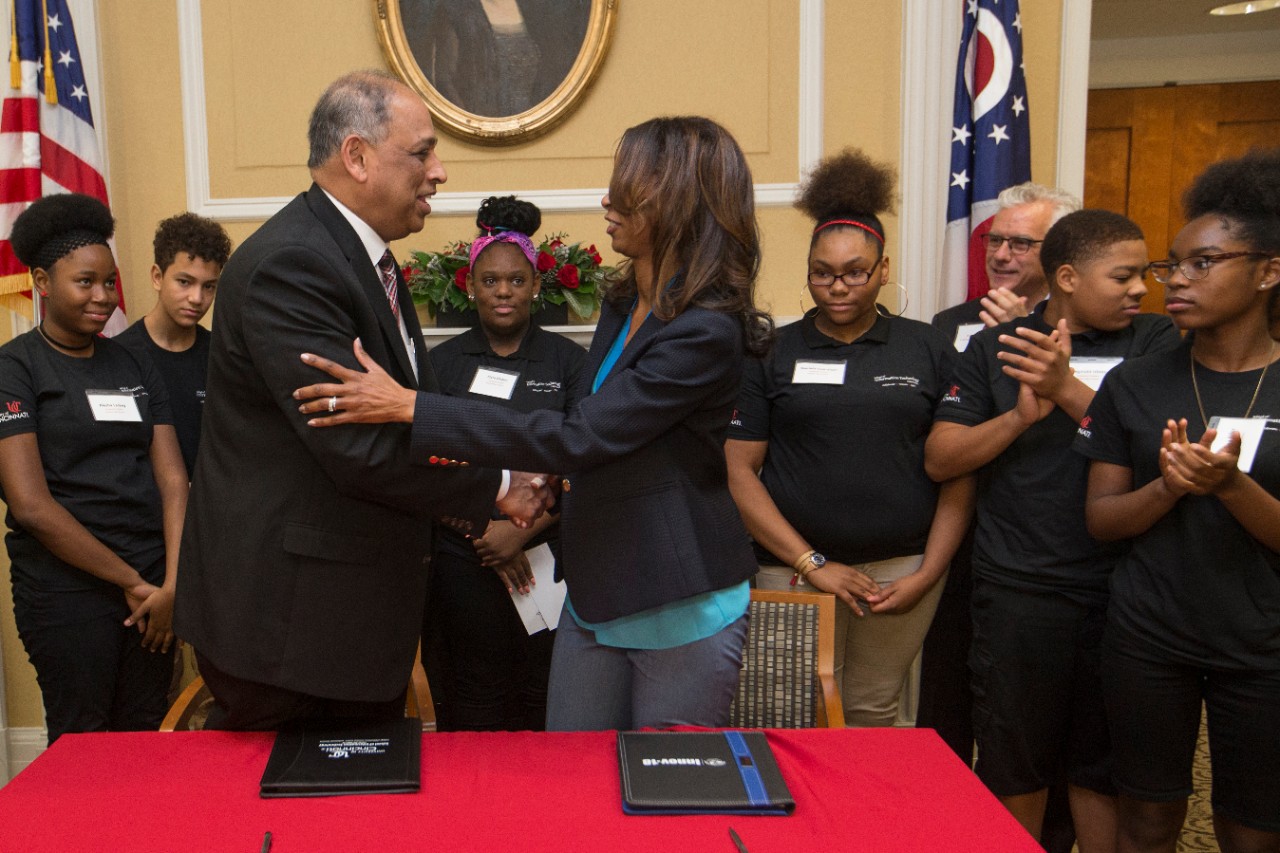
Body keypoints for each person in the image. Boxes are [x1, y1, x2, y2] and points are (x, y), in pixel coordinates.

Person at [293, 115, 774, 731]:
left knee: (664, 797)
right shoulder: (626, 299)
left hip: (678, 598)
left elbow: (580, 436)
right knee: (569, 782)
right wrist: (544, 479)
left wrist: (410, 405)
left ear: (675, 201)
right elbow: (597, 426)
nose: (607, 198)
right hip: (599, 592)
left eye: (626, 185)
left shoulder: (704, 330)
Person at [172, 70, 553, 731]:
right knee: (296, 827)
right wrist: (497, 485)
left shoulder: (359, 257)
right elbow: (355, 448)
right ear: (357, 156)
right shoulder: (294, 265)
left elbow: (411, 409)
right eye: (422, 151)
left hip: (340, 623)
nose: (439, 172)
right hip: (291, 629)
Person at [926, 209, 1180, 848]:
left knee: (1104, 768)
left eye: (1143, 276)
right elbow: (941, 458)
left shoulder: (1156, 344)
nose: (1140, 290)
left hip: (1129, 589)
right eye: (1123, 276)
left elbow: (1162, 452)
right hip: (1022, 590)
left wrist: (1065, 388)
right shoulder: (997, 345)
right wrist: (1018, 418)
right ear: (1068, 277)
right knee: (1017, 761)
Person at [1075, 149, 1280, 853]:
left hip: (1264, 643)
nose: (1176, 281)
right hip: (1148, 636)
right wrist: (1168, 486)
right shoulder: (1134, 384)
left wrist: (1231, 485)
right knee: (1149, 818)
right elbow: (1101, 520)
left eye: (1204, 262)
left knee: (1253, 829)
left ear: (1268, 270)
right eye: (1174, 264)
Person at [723, 149, 970, 727]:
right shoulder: (771, 350)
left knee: (872, 711)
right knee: (785, 714)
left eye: (856, 271)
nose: (837, 287)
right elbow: (738, 472)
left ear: (883, 270)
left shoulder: (928, 348)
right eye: (822, 273)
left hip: (902, 571)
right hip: (791, 568)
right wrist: (812, 564)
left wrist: (927, 574)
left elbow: (959, 471)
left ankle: (862, 821)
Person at [0, 193, 189, 744]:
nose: (103, 297)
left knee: (142, 735)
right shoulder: (15, 370)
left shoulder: (132, 361)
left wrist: (172, 586)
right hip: (67, 593)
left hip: (154, 590)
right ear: (41, 282)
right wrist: (130, 583)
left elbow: (173, 480)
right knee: (82, 743)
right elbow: (31, 507)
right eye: (85, 282)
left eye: (109, 283)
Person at [426, 195, 585, 731]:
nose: (503, 292)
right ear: (470, 286)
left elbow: (584, 457)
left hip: (547, 557)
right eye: (490, 281)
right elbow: (426, 462)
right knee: (471, 691)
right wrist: (486, 533)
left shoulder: (568, 363)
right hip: (463, 559)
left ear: (536, 286)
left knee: (541, 690)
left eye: (516, 281)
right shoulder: (440, 366)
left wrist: (523, 533)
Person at [115, 212, 231, 478]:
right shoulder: (120, 355)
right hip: (145, 509)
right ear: (157, 277)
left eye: (209, 286)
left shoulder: (221, 355)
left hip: (210, 505)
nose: (197, 298)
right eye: (184, 282)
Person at [932, 182, 1082, 352]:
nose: (1000, 255)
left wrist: (1023, 330)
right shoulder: (950, 321)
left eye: (1020, 243)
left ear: (1058, 251)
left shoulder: (1081, 321)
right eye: (995, 240)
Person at [404, 0, 590, 117]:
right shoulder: (454, 10)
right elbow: (445, 81)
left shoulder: (537, 9)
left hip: (537, 124)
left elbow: (554, 67)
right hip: (481, 124)